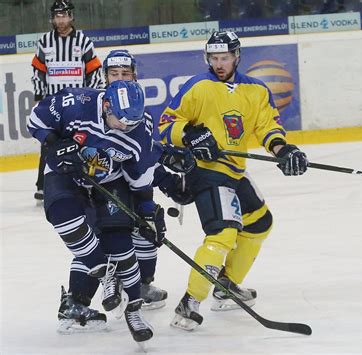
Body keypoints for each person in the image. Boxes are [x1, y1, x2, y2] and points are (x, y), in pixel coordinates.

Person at [158, 31, 309, 331]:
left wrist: (285, 150)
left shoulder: (256, 90)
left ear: (237, 56)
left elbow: (268, 128)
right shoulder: (198, 87)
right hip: (206, 170)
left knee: (260, 223)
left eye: (224, 58)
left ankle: (226, 284)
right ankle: (190, 302)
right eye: (213, 58)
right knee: (223, 233)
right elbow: (166, 124)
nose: (218, 64)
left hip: (235, 170)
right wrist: (188, 134)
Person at [27, 80, 160, 343]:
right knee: (63, 216)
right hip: (65, 172)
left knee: (120, 242)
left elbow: (141, 174)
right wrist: (55, 143)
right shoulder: (75, 103)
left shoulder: (140, 129)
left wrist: (146, 208)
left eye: (130, 123)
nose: (125, 127)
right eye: (120, 121)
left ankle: (133, 309)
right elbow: (35, 121)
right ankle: (104, 270)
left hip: (110, 181)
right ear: (107, 105)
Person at [31, 0, 105, 204]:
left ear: (71, 16)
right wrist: (40, 100)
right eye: (57, 15)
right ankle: (43, 185)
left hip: (78, 103)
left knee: (83, 141)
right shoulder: (45, 42)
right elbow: (39, 72)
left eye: (64, 15)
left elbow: (94, 71)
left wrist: (91, 97)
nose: (60, 19)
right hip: (54, 103)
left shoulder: (83, 41)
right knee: (49, 143)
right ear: (52, 18)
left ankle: (87, 183)